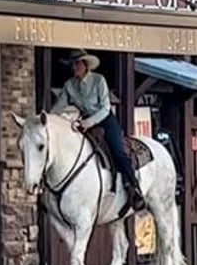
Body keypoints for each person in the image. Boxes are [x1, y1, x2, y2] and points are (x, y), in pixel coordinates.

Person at [52, 49, 145, 211]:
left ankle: (134, 187)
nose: (73, 67)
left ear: (85, 65)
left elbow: (105, 107)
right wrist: (47, 119)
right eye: (72, 64)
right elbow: (59, 107)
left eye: (77, 63)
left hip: (105, 120)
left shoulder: (98, 80)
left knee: (118, 151)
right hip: (85, 123)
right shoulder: (69, 85)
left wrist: (89, 122)